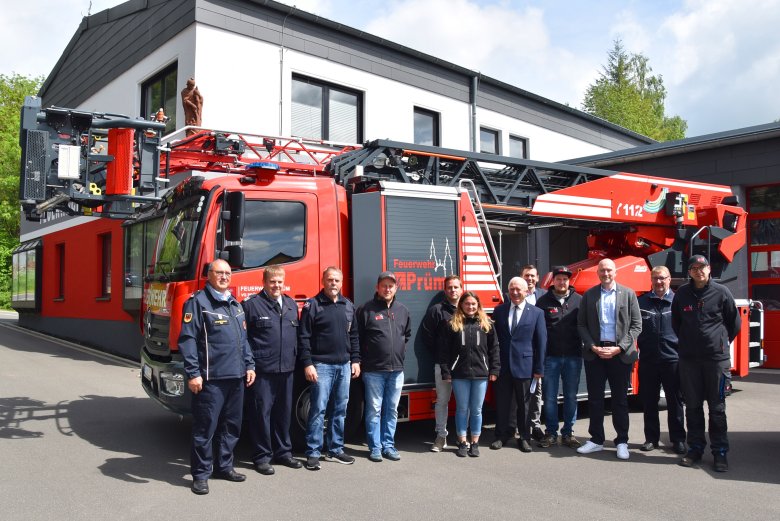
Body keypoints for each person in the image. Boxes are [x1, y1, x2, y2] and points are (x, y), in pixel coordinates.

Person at [178, 259, 256, 495]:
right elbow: (188, 340)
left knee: (231, 426)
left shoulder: (235, 304)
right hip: (210, 379)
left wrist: (249, 364)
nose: (224, 276)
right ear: (209, 275)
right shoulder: (198, 302)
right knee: (205, 429)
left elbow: (243, 340)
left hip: (236, 377)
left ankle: (224, 466)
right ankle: (201, 475)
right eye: (219, 272)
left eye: (227, 273)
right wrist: (193, 373)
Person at [672, 255, 740, 472]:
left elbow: (734, 324)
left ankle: (720, 453)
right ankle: (695, 450)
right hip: (689, 361)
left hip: (715, 361)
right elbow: (676, 324)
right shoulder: (682, 294)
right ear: (689, 272)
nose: (699, 271)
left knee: (717, 408)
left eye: (702, 267)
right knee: (692, 407)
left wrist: (718, 343)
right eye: (694, 268)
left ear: (709, 269)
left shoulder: (722, 292)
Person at [576, 258, 641, 460]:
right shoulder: (589, 295)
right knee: (595, 399)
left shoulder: (628, 294)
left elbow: (636, 325)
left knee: (620, 400)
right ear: (598, 273)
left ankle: (622, 441)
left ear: (616, 272)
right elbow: (581, 325)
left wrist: (619, 348)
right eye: (602, 270)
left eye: (609, 270)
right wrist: (592, 346)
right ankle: (596, 440)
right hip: (595, 354)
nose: (606, 274)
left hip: (619, 355)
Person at [298, 267, 362, 471]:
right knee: (318, 410)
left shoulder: (348, 306)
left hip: (344, 365)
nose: (333, 283)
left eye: (336, 280)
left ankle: (335, 449)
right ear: (323, 281)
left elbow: (354, 336)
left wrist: (355, 360)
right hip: (321, 366)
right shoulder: (313, 305)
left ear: (341, 283)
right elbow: (304, 337)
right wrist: (308, 363)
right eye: (330, 279)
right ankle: (313, 452)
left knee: (340, 410)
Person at [242, 265, 303, 476]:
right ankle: (262, 457)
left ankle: (284, 453)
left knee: (283, 414)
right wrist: (249, 365)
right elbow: (243, 340)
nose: (276, 285)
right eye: (272, 282)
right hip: (263, 371)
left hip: (287, 369)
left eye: (279, 282)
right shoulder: (251, 305)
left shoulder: (290, 304)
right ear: (264, 282)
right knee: (261, 415)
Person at [357, 271, 411, 462]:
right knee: (374, 410)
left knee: (392, 410)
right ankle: (375, 448)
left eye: (391, 285)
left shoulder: (403, 310)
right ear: (377, 288)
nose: (387, 289)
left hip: (397, 371)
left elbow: (407, 335)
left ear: (396, 288)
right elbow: (357, 338)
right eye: (384, 285)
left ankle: (389, 445)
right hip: (374, 371)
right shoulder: (366, 309)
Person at [438, 292, 500, 457]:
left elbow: (494, 349)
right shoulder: (452, 324)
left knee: (477, 410)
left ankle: (475, 442)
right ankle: (462, 442)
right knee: (462, 409)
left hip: (481, 374)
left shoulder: (487, 324)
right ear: (461, 306)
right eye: (467, 304)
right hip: (459, 374)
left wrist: (494, 370)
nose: (470, 307)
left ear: (478, 306)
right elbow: (443, 351)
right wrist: (446, 371)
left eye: (473, 304)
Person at [491, 277, 547, 453]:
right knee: (502, 403)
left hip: (525, 366)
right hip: (503, 366)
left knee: (524, 405)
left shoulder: (537, 313)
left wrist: (539, 368)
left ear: (526, 292)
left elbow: (541, 342)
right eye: (512, 289)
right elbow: (494, 340)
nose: (515, 293)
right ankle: (501, 435)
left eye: (519, 290)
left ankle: (524, 437)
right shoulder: (499, 311)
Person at [637, 266, 686, 455]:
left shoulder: (678, 301)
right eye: (655, 278)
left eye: (663, 278)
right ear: (651, 279)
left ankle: (678, 440)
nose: (659, 282)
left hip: (672, 360)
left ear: (669, 279)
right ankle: (651, 439)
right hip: (648, 360)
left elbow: (686, 329)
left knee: (675, 402)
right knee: (649, 402)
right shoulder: (641, 302)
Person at [535, 266, 584, 449]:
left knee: (571, 396)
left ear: (569, 281)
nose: (562, 282)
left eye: (565, 279)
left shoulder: (579, 300)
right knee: (549, 397)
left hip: (573, 357)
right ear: (552, 281)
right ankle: (551, 432)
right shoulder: (543, 302)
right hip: (551, 357)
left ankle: (568, 433)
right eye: (558, 279)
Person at [420, 274, 463, 452]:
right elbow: (427, 335)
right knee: (442, 401)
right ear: (445, 290)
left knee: (464, 403)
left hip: (465, 366)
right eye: (449, 287)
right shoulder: (436, 310)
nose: (453, 290)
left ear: (461, 288)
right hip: (443, 365)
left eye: (455, 287)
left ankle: (463, 437)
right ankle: (441, 436)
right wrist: (441, 353)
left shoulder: (469, 308)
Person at [521, 264, 546, 442]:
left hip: (539, 351)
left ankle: (535, 425)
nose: (529, 279)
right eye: (526, 276)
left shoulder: (544, 296)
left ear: (537, 278)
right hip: (521, 352)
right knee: (521, 391)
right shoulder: (512, 296)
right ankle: (519, 424)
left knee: (537, 390)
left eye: (532, 276)